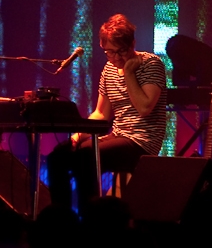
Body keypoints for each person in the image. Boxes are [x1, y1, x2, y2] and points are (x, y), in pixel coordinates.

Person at [47, 13, 167, 209]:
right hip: (118, 134)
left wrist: (128, 73)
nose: (117, 58)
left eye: (121, 51)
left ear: (133, 43)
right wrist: (77, 136)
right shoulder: (109, 69)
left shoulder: (150, 64)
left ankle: (91, 219)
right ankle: (63, 220)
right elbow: (101, 113)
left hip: (142, 141)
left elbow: (144, 108)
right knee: (58, 156)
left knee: (86, 157)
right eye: (110, 52)